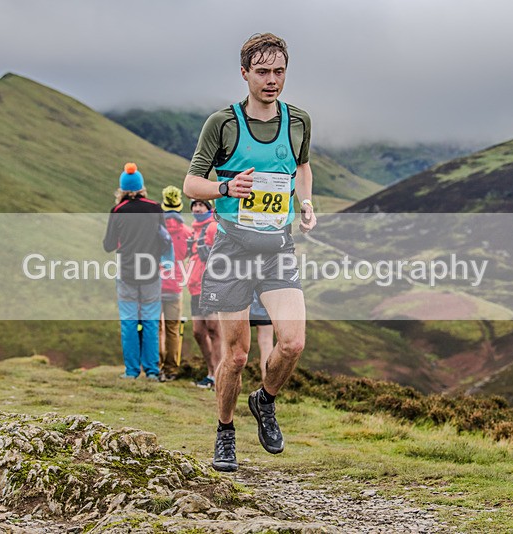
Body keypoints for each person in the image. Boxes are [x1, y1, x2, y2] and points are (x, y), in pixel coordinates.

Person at [183, 32, 317, 472]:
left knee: (293, 342)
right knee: (236, 356)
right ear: (244, 73)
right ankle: (225, 431)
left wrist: (305, 201)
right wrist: (225, 187)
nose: (272, 80)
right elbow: (191, 184)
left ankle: (265, 399)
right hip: (233, 248)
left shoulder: (298, 121)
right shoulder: (222, 124)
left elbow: (301, 166)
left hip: (278, 247)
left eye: (279, 71)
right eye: (262, 72)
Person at [103, 162, 166, 380]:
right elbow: (165, 241)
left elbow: (108, 245)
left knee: (129, 322)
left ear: (122, 188)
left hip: (127, 272)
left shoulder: (118, 211)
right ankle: (152, 371)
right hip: (151, 273)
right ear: (141, 187)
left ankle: (131, 372)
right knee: (150, 321)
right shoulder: (155, 208)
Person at [186, 199, 222, 389]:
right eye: (194, 205)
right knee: (198, 332)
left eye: (201, 205)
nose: (197, 208)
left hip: (210, 285)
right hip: (194, 287)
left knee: (214, 330)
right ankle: (211, 372)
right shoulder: (194, 230)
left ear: (209, 208)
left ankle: (219, 375)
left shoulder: (213, 227)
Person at [159, 185, 192, 382]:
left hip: (153, 284)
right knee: (172, 329)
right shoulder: (187, 232)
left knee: (155, 328)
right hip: (174, 285)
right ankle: (170, 369)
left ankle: (155, 366)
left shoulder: (155, 230)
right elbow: (189, 254)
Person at [249, 291, 274, 381]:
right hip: (264, 293)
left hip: (239, 291)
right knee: (266, 342)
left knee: (235, 345)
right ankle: (267, 389)